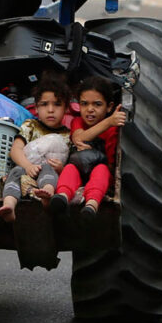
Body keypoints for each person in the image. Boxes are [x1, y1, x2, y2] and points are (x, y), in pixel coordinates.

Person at [0, 72, 72, 222]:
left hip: (51, 178)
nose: (50, 110)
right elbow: (15, 150)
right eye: (44, 104)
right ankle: (9, 206)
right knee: (15, 172)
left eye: (57, 104)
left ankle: (47, 196)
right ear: (36, 108)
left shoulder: (69, 135)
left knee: (48, 168)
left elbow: (71, 167)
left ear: (66, 109)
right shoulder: (31, 125)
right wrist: (28, 166)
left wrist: (61, 169)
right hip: (26, 174)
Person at [51, 76, 126, 218]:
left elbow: (111, 165)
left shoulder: (112, 131)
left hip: (100, 174)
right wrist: (109, 121)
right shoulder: (78, 122)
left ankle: (92, 204)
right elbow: (79, 137)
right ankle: (62, 197)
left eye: (97, 104)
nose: (90, 109)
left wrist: (95, 155)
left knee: (101, 171)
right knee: (70, 169)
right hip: (79, 169)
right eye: (84, 104)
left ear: (109, 107)